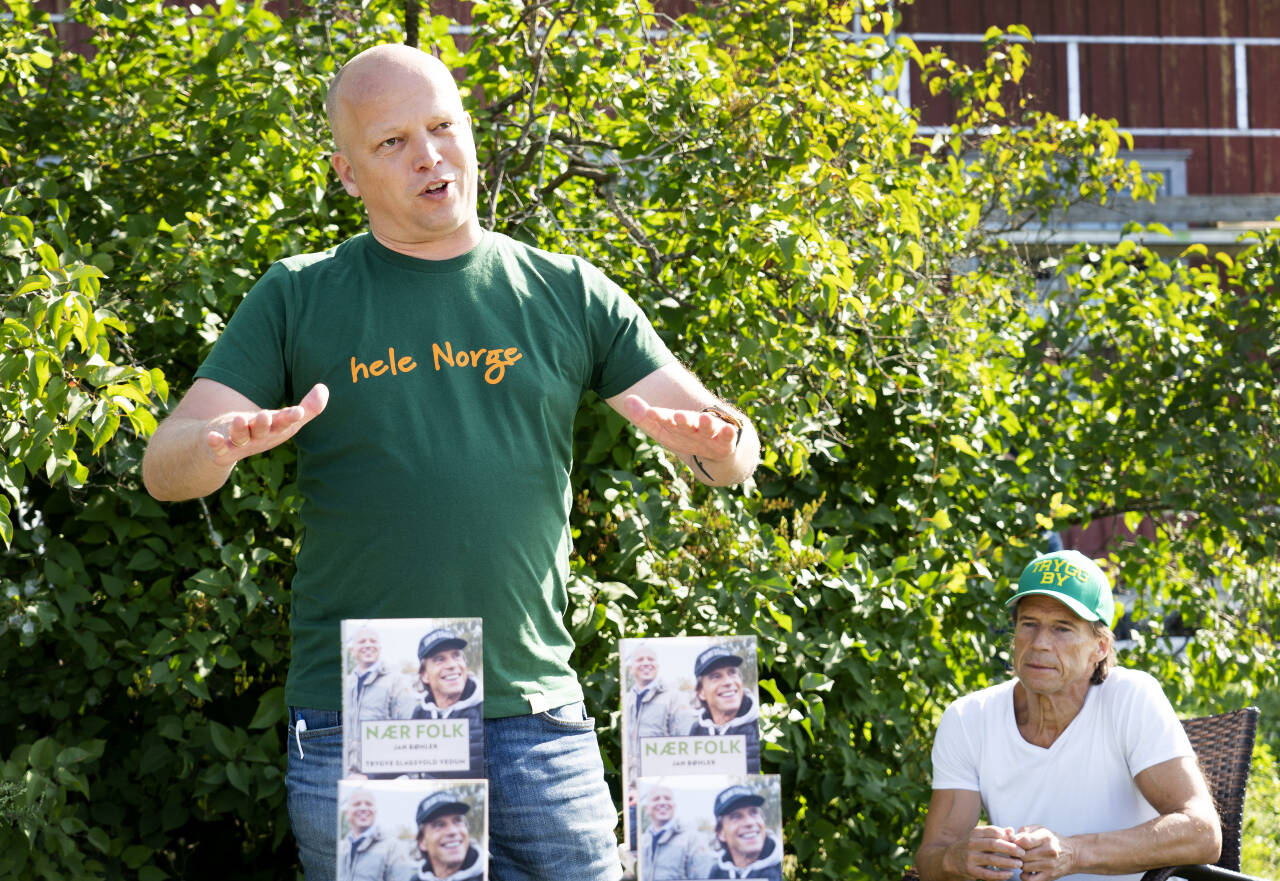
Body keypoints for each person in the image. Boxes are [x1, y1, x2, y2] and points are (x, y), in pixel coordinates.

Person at [139, 42, 760, 881]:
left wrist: (721, 445)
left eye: (441, 126)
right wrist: (215, 448)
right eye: (392, 141)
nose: (429, 155)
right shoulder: (299, 294)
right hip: (375, 707)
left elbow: (729, 446)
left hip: (539, 715)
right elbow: (164, 467)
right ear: (348, 173)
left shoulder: (566, 289)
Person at [915, 549, 1222, 881]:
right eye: (1029, 624)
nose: (1040, 643)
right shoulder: (968, 718)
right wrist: (955, 860)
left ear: (1100, 647)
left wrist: (1075, 853)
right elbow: (932, 857)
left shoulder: (1130, 698)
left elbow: (1202, 832)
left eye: (1062, 628)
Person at [409, 628, 484, 777]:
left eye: (456, 656)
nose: (451, 665)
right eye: (439, 659)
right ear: (424, 675)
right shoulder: (419, 713)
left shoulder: (484, 709)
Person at [344, 626, 407, 776]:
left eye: (373, 641)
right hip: (349, 774)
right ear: (352, 650)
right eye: (362, 641)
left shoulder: (396, 680)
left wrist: (373, 775)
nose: (368, 645)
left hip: (382, 773)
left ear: (379, 647)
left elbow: (405, 730)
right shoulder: (346, 683)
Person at [687, 646, 760, 772]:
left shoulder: (761, 724)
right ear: (701, 692)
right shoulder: (696, 730)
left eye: (732, 672)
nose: (728, 682)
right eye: (716, 676)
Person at [705, 785, 782, 880]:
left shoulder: (783, 869)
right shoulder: (717, 873)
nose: (749, 822)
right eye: (736, 816)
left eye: (754, 812)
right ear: (721, 833)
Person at [407, 792, 485, 881]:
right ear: (422, 842)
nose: (452, 831)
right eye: (439, 825)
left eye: (457, 821)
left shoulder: (493, 873)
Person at [637, 784, 706, 881]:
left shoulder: (691, 839)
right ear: (646, 809)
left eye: (667, 798)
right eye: (656, 799)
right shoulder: (642, 841)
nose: (662, 802)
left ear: (674, 806)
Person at [337, 788, 404, 881]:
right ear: (347, 813)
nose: (363, 808)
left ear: (375, 812)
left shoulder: (392, 847)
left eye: (368, 804)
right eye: (357, 804)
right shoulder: (337, 848)